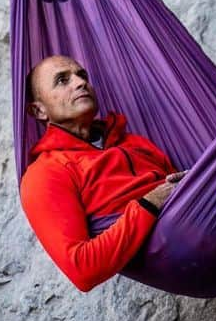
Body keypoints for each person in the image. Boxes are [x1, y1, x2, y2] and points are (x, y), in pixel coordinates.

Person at [20, 54, 186, 292]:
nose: (80, 83)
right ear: (39, 111)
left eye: (82, 75)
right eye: (62, 80)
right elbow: (82, 270)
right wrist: (151, 203)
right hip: (175, 251)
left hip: (204, 222)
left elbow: (177, 190)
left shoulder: (134, 142)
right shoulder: (46, 174)